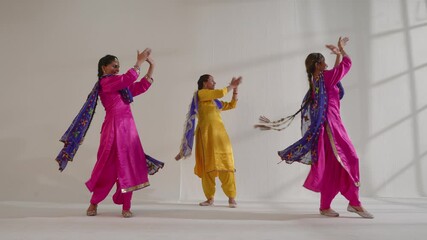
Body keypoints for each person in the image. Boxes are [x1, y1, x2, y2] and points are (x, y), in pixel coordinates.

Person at [255, 37, 373, 218]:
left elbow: (334, 76)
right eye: (323, 61)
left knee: (333, 166)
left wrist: (336, 57)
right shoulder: (324, 78)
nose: (326, 64)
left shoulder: (317, 80)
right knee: (352, 158)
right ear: (318, 64)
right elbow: (345, 66)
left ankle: (326, 206)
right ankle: (355, 203)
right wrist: (342, 51)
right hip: (331, 128)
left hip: (329, 127)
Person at [56, 48, 164, 218]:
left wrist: (152, 65)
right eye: (114, 66)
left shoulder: (122, 87)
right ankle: (94, 203)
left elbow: (141, 86)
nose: (116, 68)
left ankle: (126, 207)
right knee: (107, 167)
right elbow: (128, 77)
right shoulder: (105, 83)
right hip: (113, 130)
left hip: (128, 130)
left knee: (129, 166)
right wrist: (138, 62)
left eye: (118, 66)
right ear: (103, 68)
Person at [176, 74, 242, 208]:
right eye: (212, 81)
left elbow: (231, 105)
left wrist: (235, 90)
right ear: (205, 83)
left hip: (220, 136)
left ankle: (231, 197)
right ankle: (210, 198)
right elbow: (220, 92)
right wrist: (231, 85)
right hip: (205, 137)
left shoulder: (215, 101)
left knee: (226, 164)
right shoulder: (201, 94)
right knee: (208, 167)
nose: (215, 82)